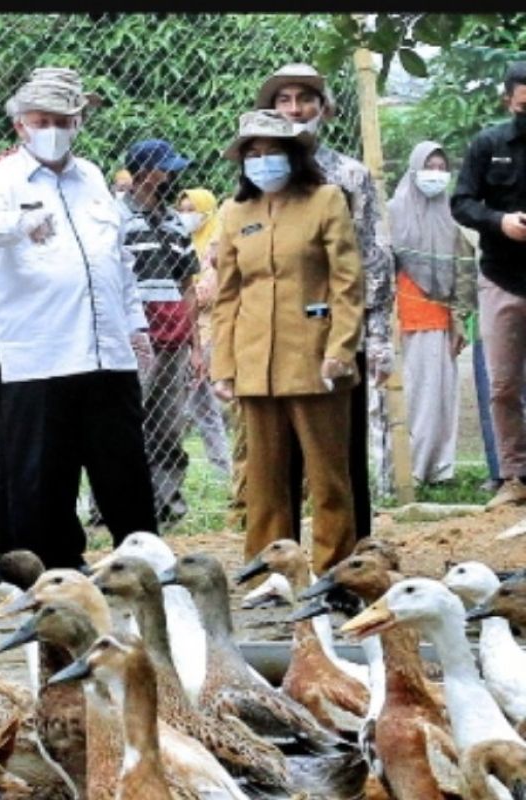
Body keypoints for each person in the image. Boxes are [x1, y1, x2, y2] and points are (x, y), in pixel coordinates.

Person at [0, 66, 157, 570]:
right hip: (36, 352)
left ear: (78, 123)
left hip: (104, 348)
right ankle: (43, 570)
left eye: (65, 119)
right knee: (35, 472)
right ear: (20, 125)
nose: (54, 128)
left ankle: (140, 564)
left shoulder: (94, 178)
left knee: (121, 463)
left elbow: (119, 260)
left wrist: (135, 324)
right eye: (42, 119)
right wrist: (21, 224)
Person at [211, 109, 364, 575]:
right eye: (252, 154)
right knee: (263, 478)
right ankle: (270, 572)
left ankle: (334, 570)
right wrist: (223, 366)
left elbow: (347, 281)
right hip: (256, 361)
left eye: (272, 152)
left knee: (327, 476)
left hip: (317, 359)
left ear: (294, 156)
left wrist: (341, 348)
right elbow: (227, 294)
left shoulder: (326, 199)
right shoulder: (235, 212)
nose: (262, 162)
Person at [257, 62, 394, 543]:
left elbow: (373, 259)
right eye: (283, 100)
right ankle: (279, 562)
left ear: (325, 108)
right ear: (269, 110)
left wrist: (376, 338)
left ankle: (352, 560)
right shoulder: (258, 176)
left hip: (335, 335)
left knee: (341, 453)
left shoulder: (348, 176)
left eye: (305, 99)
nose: (295, 109)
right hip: (271, 338)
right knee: (274, 460)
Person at [451, 60, 526, 510]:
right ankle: (514, 476)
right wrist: (500, 222)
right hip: (501, 277)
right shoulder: (488, 144)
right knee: (503, 385)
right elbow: (461, 202)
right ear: (508, 101)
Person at [120, 139, 202, 526]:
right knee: (126, 422)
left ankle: (167, 504)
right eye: (165, 169)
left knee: (169, 424)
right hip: (134, 334)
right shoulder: (116, 217)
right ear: (141, 172)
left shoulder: (174, 222)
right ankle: (115, 505)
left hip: (174, 335)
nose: (173, 176)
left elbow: (187, 284)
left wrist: (195, 343)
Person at [387, 141, 477, 485]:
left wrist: (459, 321)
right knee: (410, 399)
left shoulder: (451, 216)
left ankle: (439, 468)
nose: (435, 174)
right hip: (403, 322)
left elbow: (463, 273)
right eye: (429, 166)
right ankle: (408, 471)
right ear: (413, 169)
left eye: (442, 168)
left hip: (441, 322)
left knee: (440, 399)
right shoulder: (393, 212)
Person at [176, 188, 232, 478]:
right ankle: (220, 468)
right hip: (184, 332)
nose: (186, 216)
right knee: (198, 405)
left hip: (211, 332)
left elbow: (205, 293)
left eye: (192, 209)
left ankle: (222, 468)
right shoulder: (183, 241)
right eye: (182, 209)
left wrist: (182, 293)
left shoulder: (216, 240)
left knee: (202, 404)